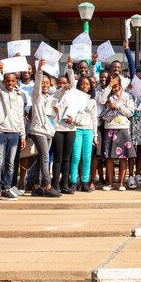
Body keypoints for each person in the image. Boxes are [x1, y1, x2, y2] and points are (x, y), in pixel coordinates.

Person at [0, 63, 26, 202]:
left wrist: (22, 135)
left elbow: (21, 117)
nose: (10, 83)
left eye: (13, 81)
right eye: (8, 81)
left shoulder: (20, 97)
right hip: (2, 131)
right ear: (4, 82)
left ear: (16, 82)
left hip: (15, 133)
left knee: (10, 163)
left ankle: (6, 188)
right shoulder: (0, 94)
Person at [98, 74, 136, 191]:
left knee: (123, 156)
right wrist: (108, 87)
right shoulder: (107, 94)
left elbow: (130, 112)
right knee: (109, 157)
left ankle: (121, 183)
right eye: (112, 85)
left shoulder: (127, 96)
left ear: (120, 85)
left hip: (123, 127)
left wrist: (117, 106)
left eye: (116, 86)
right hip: (109, 127)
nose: (114, 89)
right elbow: (101, 100)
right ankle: (110, 183)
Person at [28, 59, 60, 197]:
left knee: (41, 158)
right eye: (42, 83)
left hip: (49, 131)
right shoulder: (37, 96)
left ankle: (36, 186)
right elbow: (36, 86)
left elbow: (54, 116)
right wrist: (39, 69)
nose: (45, 85)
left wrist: (57, 112)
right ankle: (47, 185)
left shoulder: (50, 98)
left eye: (47, 83)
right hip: (38, 130)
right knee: (45, 156)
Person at [52, 66, 78, 194]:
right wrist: (62, 89)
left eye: (64, 83)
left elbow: (73, 83)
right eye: (60, 83)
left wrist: (69, 68)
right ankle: (55, 185)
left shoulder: (73, 95)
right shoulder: (54, 95)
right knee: (58, 158)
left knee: (67, 158)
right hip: (57, 129)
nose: (63, 85)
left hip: (70, 129)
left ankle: (65, 185)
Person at [71, 76, 98, 192]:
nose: (85, 86)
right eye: (82, 84)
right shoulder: (74, 98)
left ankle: (85, 182)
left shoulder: (92, 101)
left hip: (88, 130)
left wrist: (95, 135)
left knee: (87, 157)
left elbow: (94, 118)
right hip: (76, 129)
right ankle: (73, 181)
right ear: (78, 85)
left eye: (87, 84)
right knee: (76, 157)